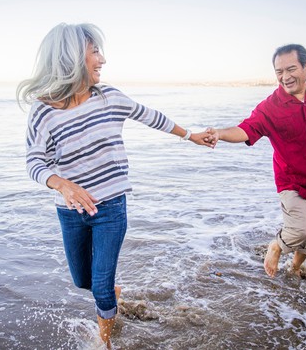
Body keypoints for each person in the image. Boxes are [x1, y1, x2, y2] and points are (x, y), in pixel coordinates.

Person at [16, 22, 212, 348]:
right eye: (95, 52)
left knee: (101, 287)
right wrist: (62, 184)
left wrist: (191, 136)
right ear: (71, 58)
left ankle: (104, 343)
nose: (102, 59)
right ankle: (110, 294)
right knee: (83, 281)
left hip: (111, 207)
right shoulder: (42, 111)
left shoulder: (109, 98)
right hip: (70, 211)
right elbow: (34, 162)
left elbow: (151, 116)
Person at [205, 44, 306, 278]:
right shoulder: (270, 106)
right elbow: (246, 129)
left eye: (291, 69)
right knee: (302, 229)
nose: (285, 77)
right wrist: (219, 133)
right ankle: (276, 246)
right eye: (279, 72)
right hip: (292, 180)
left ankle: (295, 268)